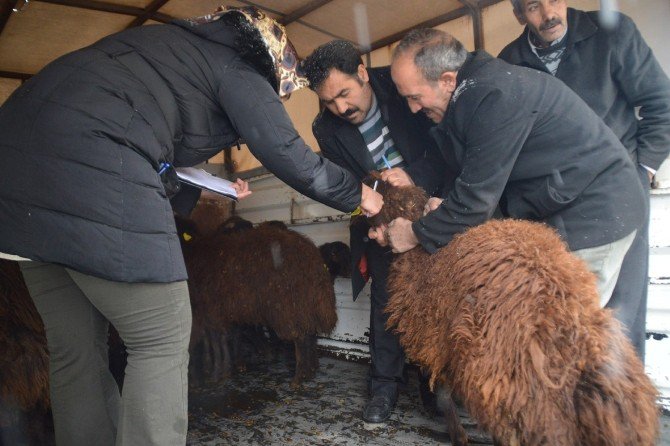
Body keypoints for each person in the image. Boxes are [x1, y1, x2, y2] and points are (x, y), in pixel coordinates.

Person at [0, 6, 382, 446]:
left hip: (13, 181)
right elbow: (286, 152)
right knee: (161, 336)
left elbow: (150, 145)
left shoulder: (160, 51)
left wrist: (205, 187)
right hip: (90, 160)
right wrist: (359, 194)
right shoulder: (237, 67)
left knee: (74, 352)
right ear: (270, 59)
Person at [372, 28, 646, 314]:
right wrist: (446, 206)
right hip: (562, 206)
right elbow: (471, 173)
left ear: (448, 80)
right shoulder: (470, 93)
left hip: (594, 213)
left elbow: (475, 202)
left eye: (415, 97)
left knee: (560, 331)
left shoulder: (493, 96)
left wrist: (414, 233)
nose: (413, 108)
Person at [497, 0, 670, 360]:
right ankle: (571, 409)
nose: (548, 14)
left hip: (614, 197)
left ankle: (620, 411)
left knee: (619, 315)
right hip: (548, 206)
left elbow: (661, 104)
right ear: (517, 14)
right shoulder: (509, 62)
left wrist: (642, 171)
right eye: (532, 6)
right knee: (559, 318)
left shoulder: (612, 31)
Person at [302, 40, 446, 423]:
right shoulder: (326, 128)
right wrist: (375, 224)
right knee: (386, 302)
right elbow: (345, 185)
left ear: (363, 73)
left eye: (345, 94)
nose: (341, 108)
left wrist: (416, 179)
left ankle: (436, 387)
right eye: (329, 102)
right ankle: (384, 387)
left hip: (434, 209)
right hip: (381, 220)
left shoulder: (401, 83)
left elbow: (444, 144)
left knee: (437, 299)